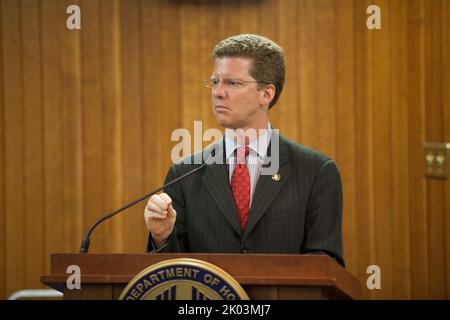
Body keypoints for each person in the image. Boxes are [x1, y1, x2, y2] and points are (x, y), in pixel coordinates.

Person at [144, 34, 345, 267]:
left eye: (232, 83)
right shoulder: (183, 174)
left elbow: (326, 265)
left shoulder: (316, 172)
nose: (218, 92)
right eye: (215, 81)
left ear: (266, 94)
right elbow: (169, 276)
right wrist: (161, 236)